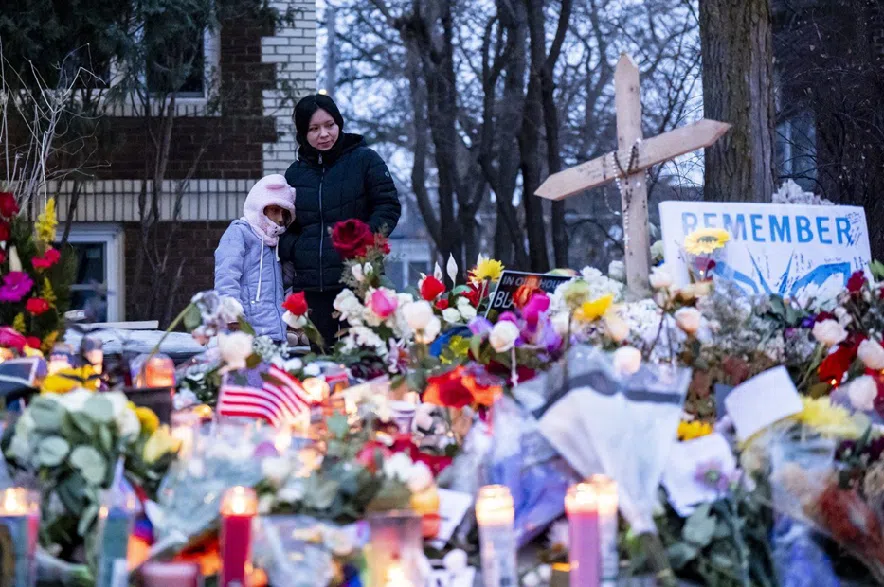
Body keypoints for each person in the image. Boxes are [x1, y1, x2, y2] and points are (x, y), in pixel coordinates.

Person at [280, 94, 401, 346]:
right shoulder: (294, 175)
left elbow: (388, 207)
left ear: (339, 124)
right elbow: (284, 227)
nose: (324, 134)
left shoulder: (365, 161)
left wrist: (363, 243)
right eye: (314, 129)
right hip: (312, 292)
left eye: (329, 125)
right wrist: (298, 248)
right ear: (303, 133)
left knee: (361, 364)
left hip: (357, 285)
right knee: (320, 371)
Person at [214, 174, 296, 344]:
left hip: (275, 334)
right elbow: (227, 274)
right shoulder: (240, 232)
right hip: (245, 333)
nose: (280, 219)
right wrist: (231, 313)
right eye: (274, 210)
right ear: (261, 207)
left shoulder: (279, 241)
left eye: (284, 213)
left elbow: (285, 285)